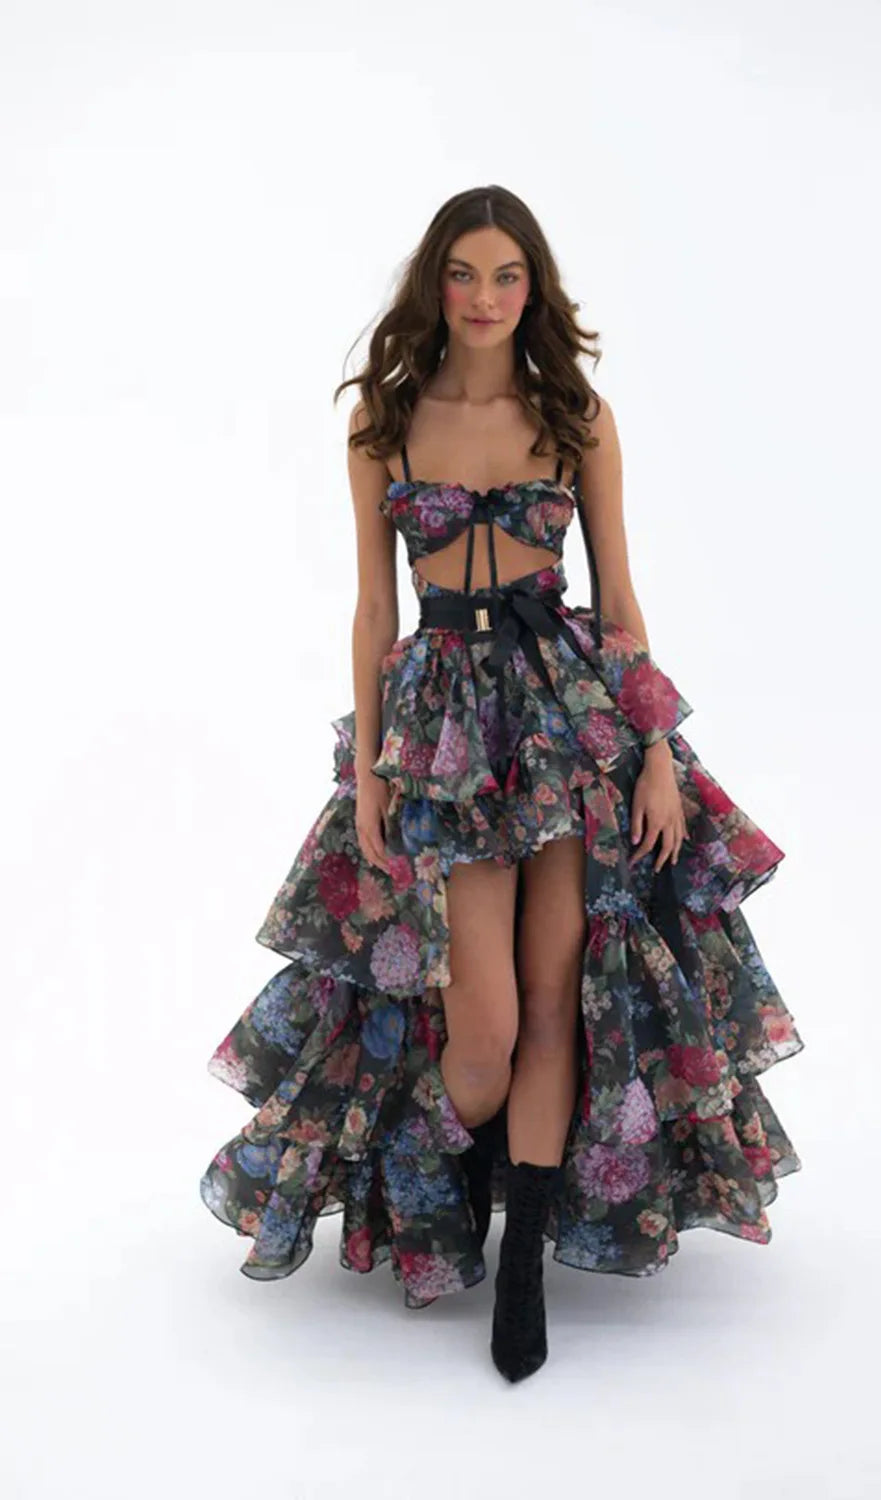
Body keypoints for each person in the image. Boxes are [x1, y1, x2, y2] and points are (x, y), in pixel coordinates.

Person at [199, 184, 805, 1384]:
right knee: (480, 1029)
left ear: (535, 288)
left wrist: (653, 753)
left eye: (507, 275)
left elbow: (618, 598)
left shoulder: (574, 416)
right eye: (464, 274)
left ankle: (520, 1255)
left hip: (568, 722)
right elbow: (372, 609)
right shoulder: (383, 421)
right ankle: (439, 1170)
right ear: (435, 283)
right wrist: (371, 773)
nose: (484, 297)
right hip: (442, 731)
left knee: (556, 995)